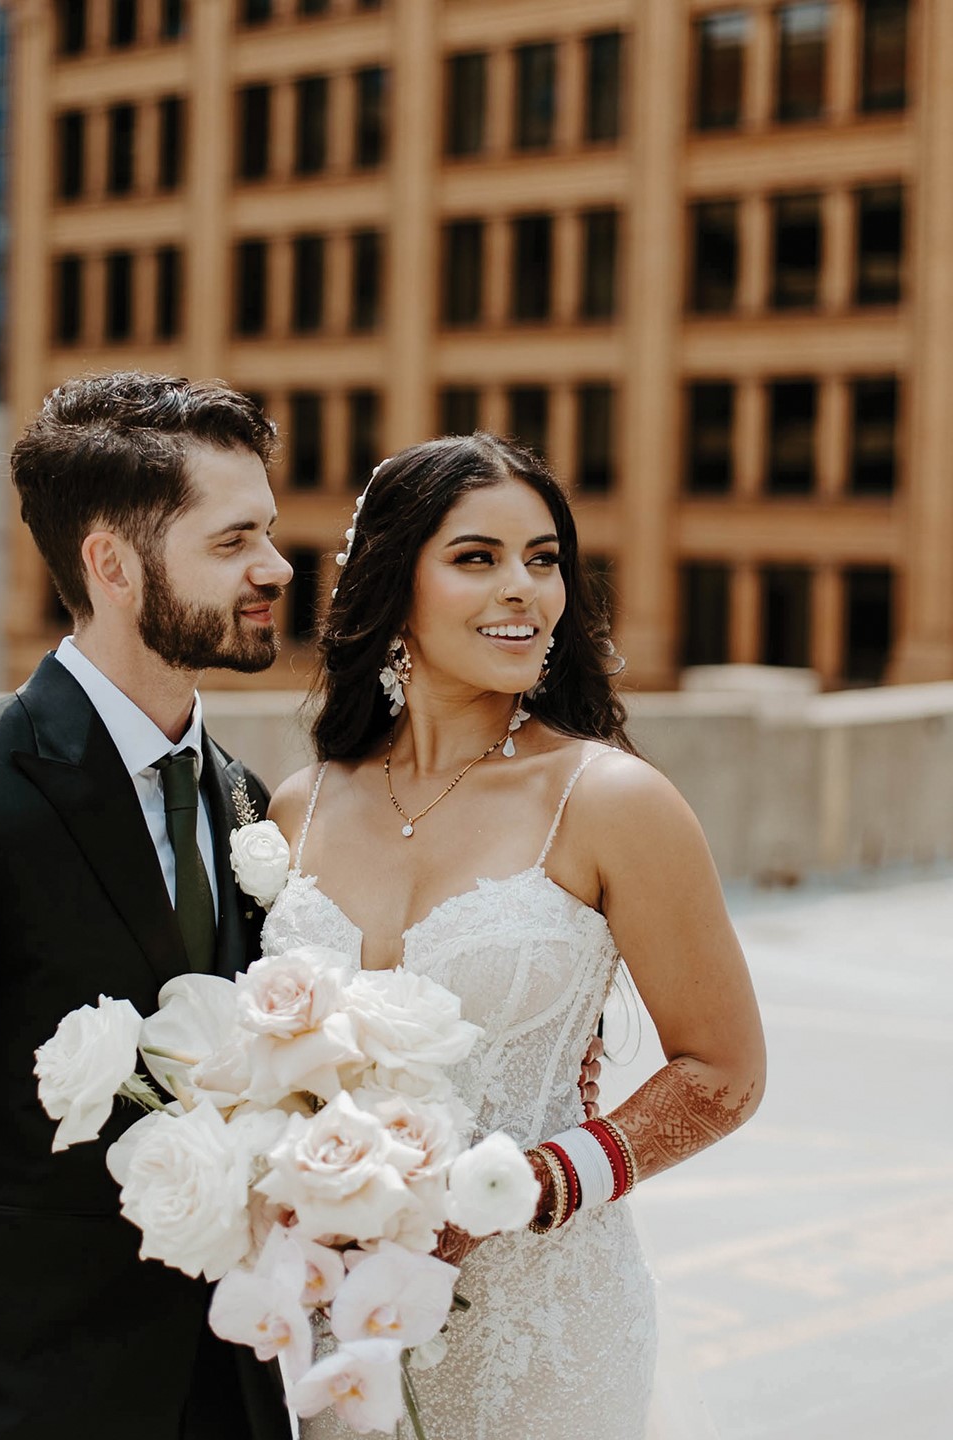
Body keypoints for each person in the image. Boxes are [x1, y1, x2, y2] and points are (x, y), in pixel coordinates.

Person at [264, 433, 766, 1439]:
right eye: (477, 558)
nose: (524, 591)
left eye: (544, 560)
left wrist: (518, 1191)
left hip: (543, 1329)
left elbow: (724, 1073)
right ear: (392, 584)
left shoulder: (611, 799)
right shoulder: (298, 811)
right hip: (330, 1331)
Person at [0, 373, 296, 1440]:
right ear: (111, 564)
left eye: (272, 532)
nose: (276, 568)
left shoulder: (244, 798)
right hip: (11, 1404)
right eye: (233, 539)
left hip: (230, 1398)